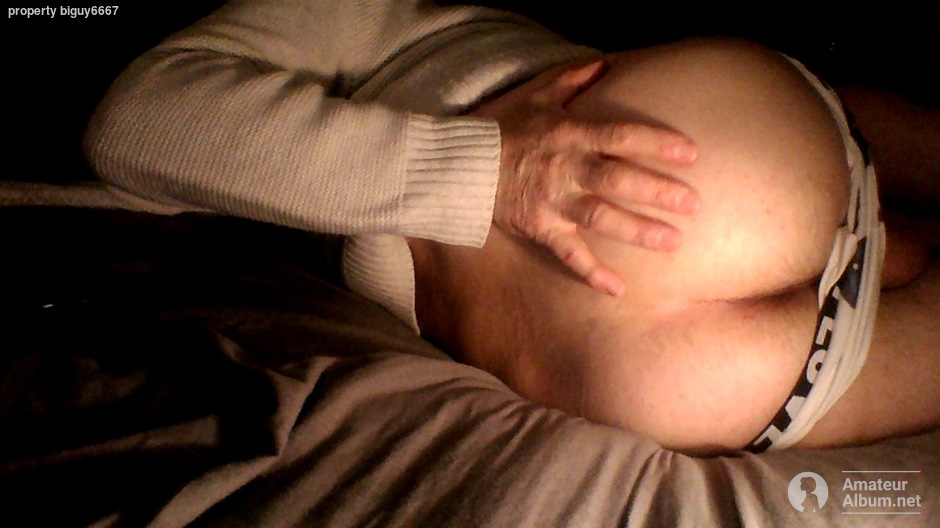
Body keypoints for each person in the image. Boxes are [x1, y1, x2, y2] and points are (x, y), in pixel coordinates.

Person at [84, 0, 939, 453]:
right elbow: (136, 136)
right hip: (693, 374)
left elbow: (133, 119)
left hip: (741, 158)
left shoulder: (349, 13)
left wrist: (489, 170)